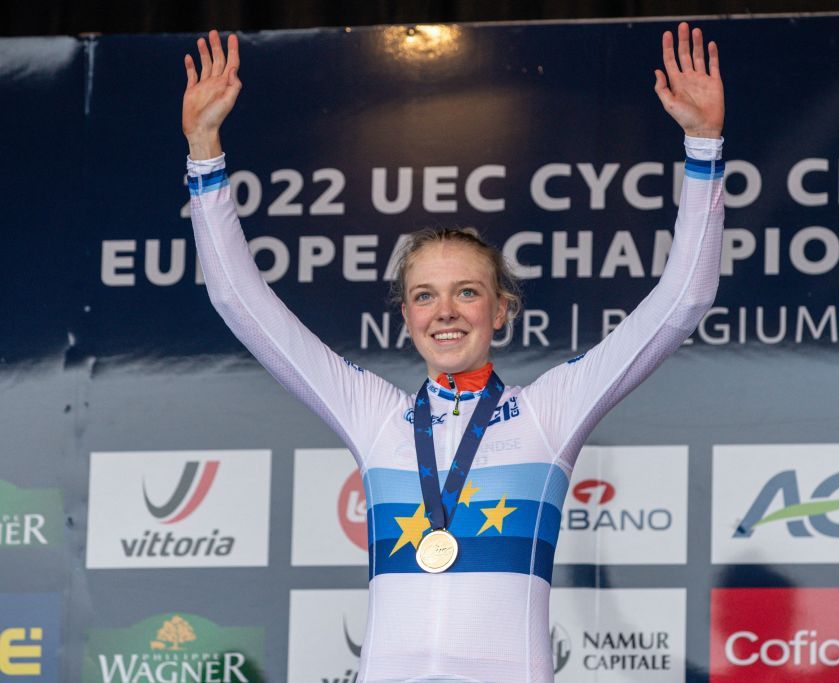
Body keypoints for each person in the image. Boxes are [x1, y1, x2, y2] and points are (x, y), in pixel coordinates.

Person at [183, 22, 724, 683]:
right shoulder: (376, 417)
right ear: (405, 314)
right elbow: (241, 303)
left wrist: (703, 146)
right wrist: (204, 151)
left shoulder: (546, 415)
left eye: (467, 292)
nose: (444, 311)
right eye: (424, 295)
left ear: (500, 309)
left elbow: (683, 302)